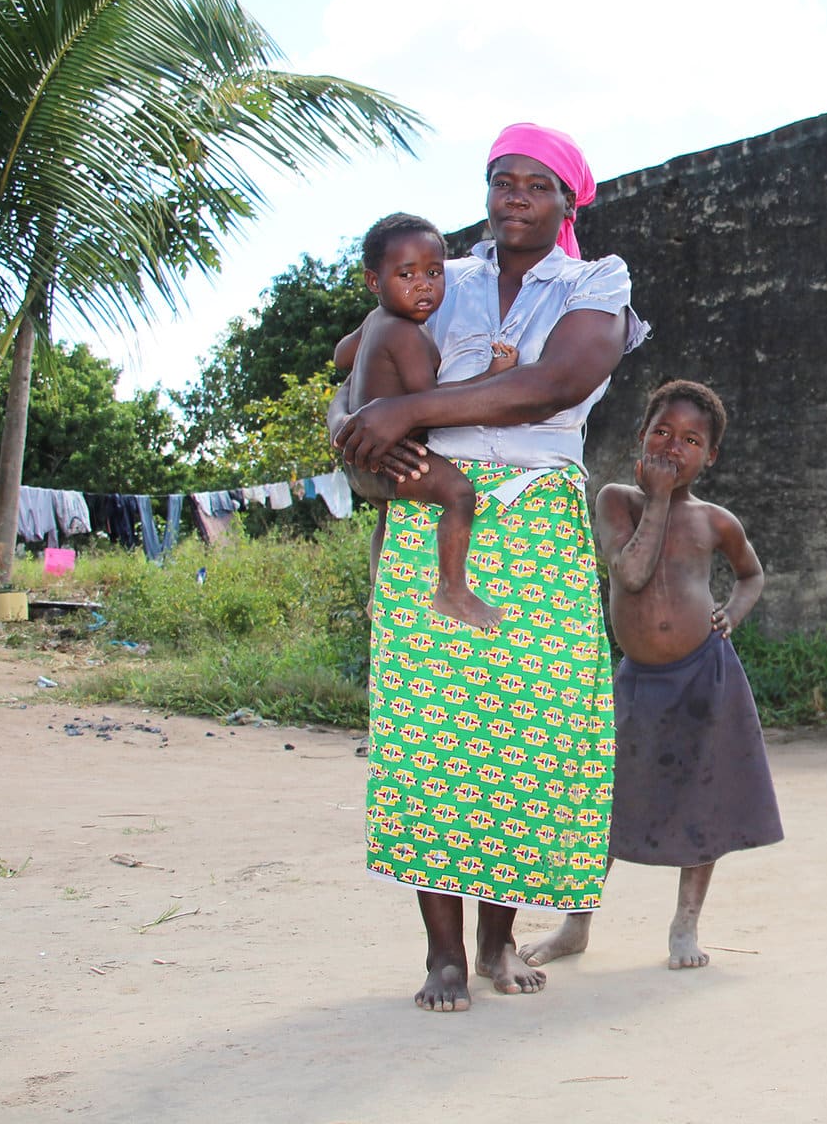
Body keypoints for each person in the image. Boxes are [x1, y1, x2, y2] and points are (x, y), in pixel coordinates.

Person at [332, 123, 648, 1012]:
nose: (515, 196)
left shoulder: (597, 282)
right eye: (502, 180)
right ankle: (441, 954)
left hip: (538, 523)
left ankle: (498, 943)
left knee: (519, 733)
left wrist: (410, 409)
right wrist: (361, 431)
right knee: (434, 738)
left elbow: (557, 381)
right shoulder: (437, 276)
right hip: (432, 510)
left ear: (568, 201)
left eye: (537, 184)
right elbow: (352, 368)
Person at [519, 379, 782, 971]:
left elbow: (751, 576)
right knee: (603, 798)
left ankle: (685, 925)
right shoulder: (616, 500)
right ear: (641, 435)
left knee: (704, 798)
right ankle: (575, 925)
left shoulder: (717, 522)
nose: (672, 447)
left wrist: (731, 615)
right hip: (638, 680)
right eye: (661, 432)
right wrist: (657, 499)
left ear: (709, 457)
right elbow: (632, 573)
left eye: (691, 440)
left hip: (705, 677)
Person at [337, 212, 518, 630]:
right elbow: (433, 403)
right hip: (390, 459)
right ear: (373, 282)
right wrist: (491, 377)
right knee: (458, 493)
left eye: (434, 273)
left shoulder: (375, 320)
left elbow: (340, 356)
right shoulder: (406, 334)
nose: (423, 285)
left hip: (360, 462)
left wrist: (367, 367)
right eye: (406, 275)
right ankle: (452, 588)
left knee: (387, 516)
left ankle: (377, 593)